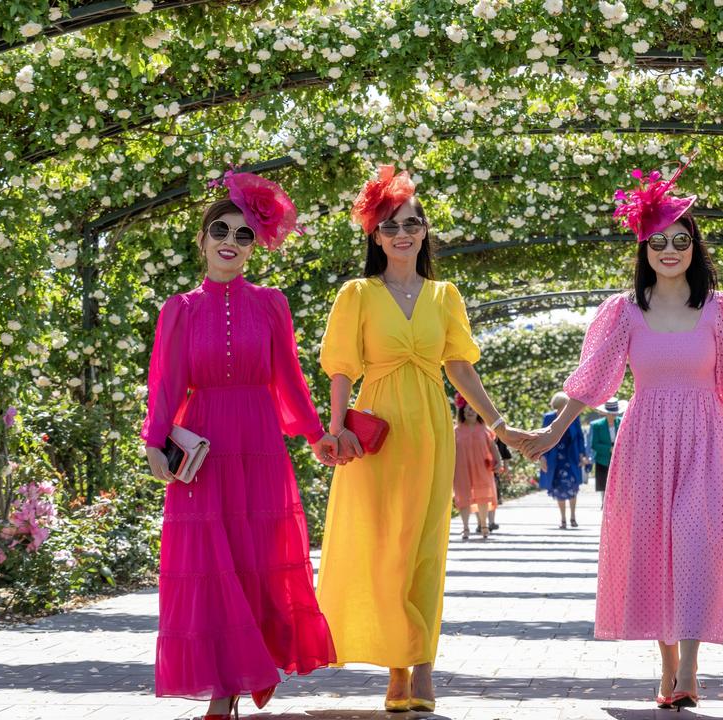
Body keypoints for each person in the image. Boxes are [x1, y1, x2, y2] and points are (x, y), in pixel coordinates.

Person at [522, 159, 723, 710]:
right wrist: (556, 431)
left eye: (680, 240)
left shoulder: (719, 309)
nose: (670, 250)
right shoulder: (625, 312)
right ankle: (668, 669)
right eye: (658, 242)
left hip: (705, 441)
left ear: (694, 247)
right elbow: (592, 382)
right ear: (645, 251)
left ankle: (689, 666)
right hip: (645, 443)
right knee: (656, 549)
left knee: (696, 543)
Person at [315, 166, 528, 713]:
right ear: (375, 236)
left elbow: (460, 368)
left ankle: (423, 667)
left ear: (425, 229)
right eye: (390, 226)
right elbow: (340, 368)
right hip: (378, 431)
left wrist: (499, 424)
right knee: (386, 548)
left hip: (431, 427)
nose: (402, 234)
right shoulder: (357, 293)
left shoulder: (444, 295)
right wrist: (337, 429)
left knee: (427, 548)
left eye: (411, 223)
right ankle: (396, 667)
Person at [142, 171, 337, 719]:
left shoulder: (272, 303)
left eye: (244, 233)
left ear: (255, 245)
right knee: (211, 564)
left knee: (260, 557)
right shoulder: (180, 308)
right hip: (204, 448)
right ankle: (224, 688)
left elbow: (289, 379)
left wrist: (317, 434)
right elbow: (166, 381)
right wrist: (155, 442)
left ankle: (259, 659)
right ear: (202, 240)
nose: (231, 240)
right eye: (220, 230)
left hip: (259, 443)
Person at [452, 395, 502, 540]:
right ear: (462, 412)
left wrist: (499, 462)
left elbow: (493, 448)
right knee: (463, 497)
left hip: (482, 468)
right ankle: (465, 528)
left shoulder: (485, 430)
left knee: (483, 496)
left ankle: (484, 525)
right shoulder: (456, 431)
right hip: (461, 469)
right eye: (467, 410)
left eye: (473, 409)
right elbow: (450, 451)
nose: (470, 412)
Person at [538, 392, 588, 529]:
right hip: (555, 458)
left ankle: (573, 517)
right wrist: (542, 457)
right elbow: (542, 438)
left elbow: (579, 437)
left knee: (572, 487)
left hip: (571, 457)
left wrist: (582, 455)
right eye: (564, 406)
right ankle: (563, 519)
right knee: (559, 489)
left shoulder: (574, 417)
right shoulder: (548, 418)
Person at [588, 398, 626, 495]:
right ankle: (603, 504)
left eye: (615, 414)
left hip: (619, 458)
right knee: (603, 485)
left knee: (619, 485)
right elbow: (594, 444)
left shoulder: (623, 422)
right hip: (603, 459)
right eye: (611, 414)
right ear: (606, 413)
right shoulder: (596, 425)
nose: (613, 416)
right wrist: (609, 449)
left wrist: (618, 449)